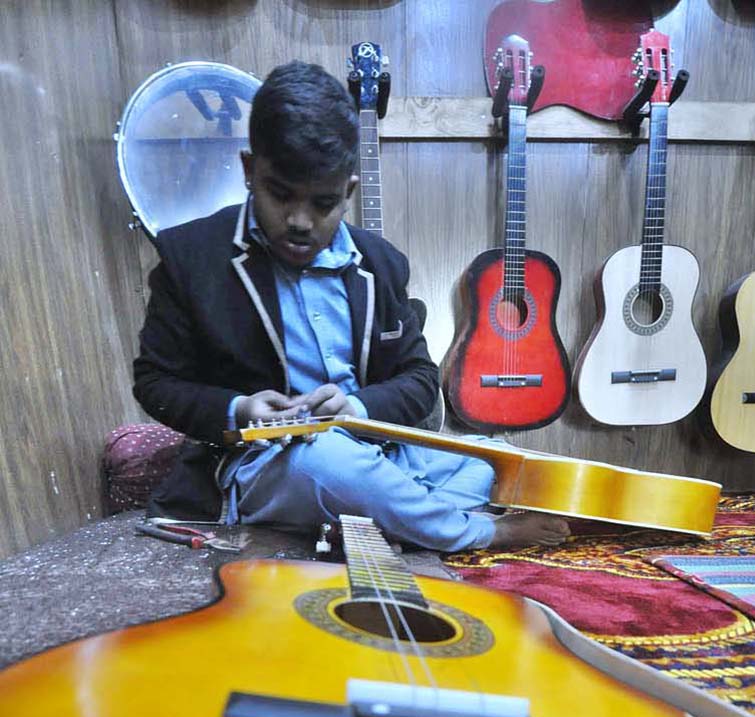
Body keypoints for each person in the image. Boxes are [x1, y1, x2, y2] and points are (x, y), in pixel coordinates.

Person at [133, 61, 569, 552]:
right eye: (280, 195)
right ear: (250, 171)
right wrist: (241, 409)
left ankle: (385, 513)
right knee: (329, 464)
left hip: (376, 447)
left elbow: (420, 380)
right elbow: (154, 381)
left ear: (349, 192)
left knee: (497, 461)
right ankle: (471, 531)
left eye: (323, 204)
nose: (300, 221)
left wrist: (355, 408)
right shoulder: (189, 255)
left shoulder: (381, 263)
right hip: (269, 460)